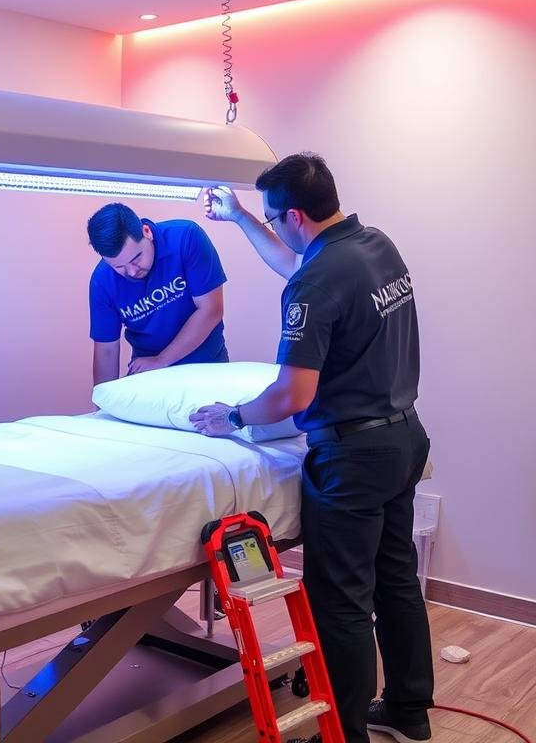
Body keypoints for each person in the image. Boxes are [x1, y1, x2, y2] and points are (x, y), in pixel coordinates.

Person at [192, 153, 434, 743]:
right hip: (404, 439)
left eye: (276, 218)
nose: (277, 228)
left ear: (295, 216)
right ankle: (409, 711)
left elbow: (292, 394)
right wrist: (242, 217)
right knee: (396, 581)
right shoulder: (375, 246)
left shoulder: (317, 280)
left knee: (342, 602)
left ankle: (343, 735)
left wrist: (233, 417)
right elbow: (298, 262)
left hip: (353, 457)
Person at [87, 203, 228, 386]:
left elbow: (211, 310)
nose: (132, 272)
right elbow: (107, 350)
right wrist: (103, 400)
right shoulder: (102, 281)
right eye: (119, 267)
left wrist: (162, 360)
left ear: (147, 232)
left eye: (136, 258)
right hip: (150, 373)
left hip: (207, 364)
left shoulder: (186, 237)